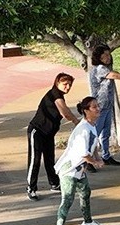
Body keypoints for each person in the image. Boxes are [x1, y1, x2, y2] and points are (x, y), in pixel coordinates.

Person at [52, 96, 106, 225]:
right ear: (86, 111)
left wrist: (97, 157)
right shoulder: (83, 130)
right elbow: (84, 154)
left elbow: (93, 146)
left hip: (79, 169)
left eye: (97, 105)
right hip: (69, 170)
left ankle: (87, 222)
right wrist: (95, 162)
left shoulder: (91, 125)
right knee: (67, 200)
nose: (98, 109)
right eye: (94, 107)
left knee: (85, 192)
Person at [25, 73, 79, 202]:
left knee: (49, 159)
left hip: (49, 133)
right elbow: (65, 112)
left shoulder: (59, 95)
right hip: (37, 131)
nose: (68, 87)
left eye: (70, 85)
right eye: (65, 84)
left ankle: (54, 184)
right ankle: (31, 188)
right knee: (35, 160)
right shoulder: (55, 94)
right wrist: (76, 121)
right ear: (57, 83)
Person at [87, 44, 120, 165]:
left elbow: (117, 74)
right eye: (105, 55)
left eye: (109, 54)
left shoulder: (105, 69)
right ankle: (87, 161)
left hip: (107, 106)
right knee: (95, 134)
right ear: (99, 57)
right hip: (99, 108)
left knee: (106, 133)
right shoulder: (99, 69)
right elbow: (118, 76)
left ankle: (106, 156)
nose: (108, 57)